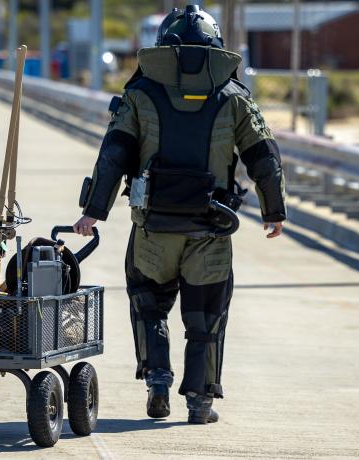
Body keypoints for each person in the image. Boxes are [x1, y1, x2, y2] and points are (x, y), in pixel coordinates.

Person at [73, 4, 287, 425]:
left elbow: (114, 153)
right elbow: (265, 155)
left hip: (153, 228)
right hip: (210, 228)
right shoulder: (234, 96)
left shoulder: (140, 93)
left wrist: (93, 213)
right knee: (205, 318)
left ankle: (157, 379)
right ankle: (199, 403)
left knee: (149, 306)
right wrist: (273, 210)